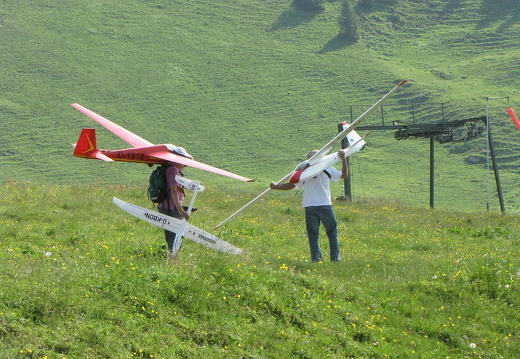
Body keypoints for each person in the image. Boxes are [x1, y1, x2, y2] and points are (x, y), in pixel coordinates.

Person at [270, 149, 348, 262]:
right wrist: (343, 158)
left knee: (313, 235)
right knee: (332, 232)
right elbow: (344, 175)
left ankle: (316, 260)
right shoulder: (327, 168)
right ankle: (336, 259)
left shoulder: (304, 172)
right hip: (325, 205)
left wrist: (275, 186)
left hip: (310, 205)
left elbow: (290, 186)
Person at [157, 147, 192, 254]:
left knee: (170, 232)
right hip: (172, 207)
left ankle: (172, 254)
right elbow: (173, 191)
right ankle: (174, 257)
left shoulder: (168, 167)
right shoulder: (174, 170)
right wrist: (180, 210)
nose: (184, 165)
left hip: (165, 205)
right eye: (184, 161)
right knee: (176, 233)